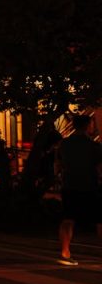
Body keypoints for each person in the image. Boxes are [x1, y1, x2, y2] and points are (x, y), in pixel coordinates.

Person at [57, 114, 102, 265]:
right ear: (87, 126)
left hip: (69, 185)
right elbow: (100, 166)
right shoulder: (93, 146)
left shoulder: (64, 144)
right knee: (99, 220)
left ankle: (65, 252)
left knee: (68, 219)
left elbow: (57, 165)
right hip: (89, 185)